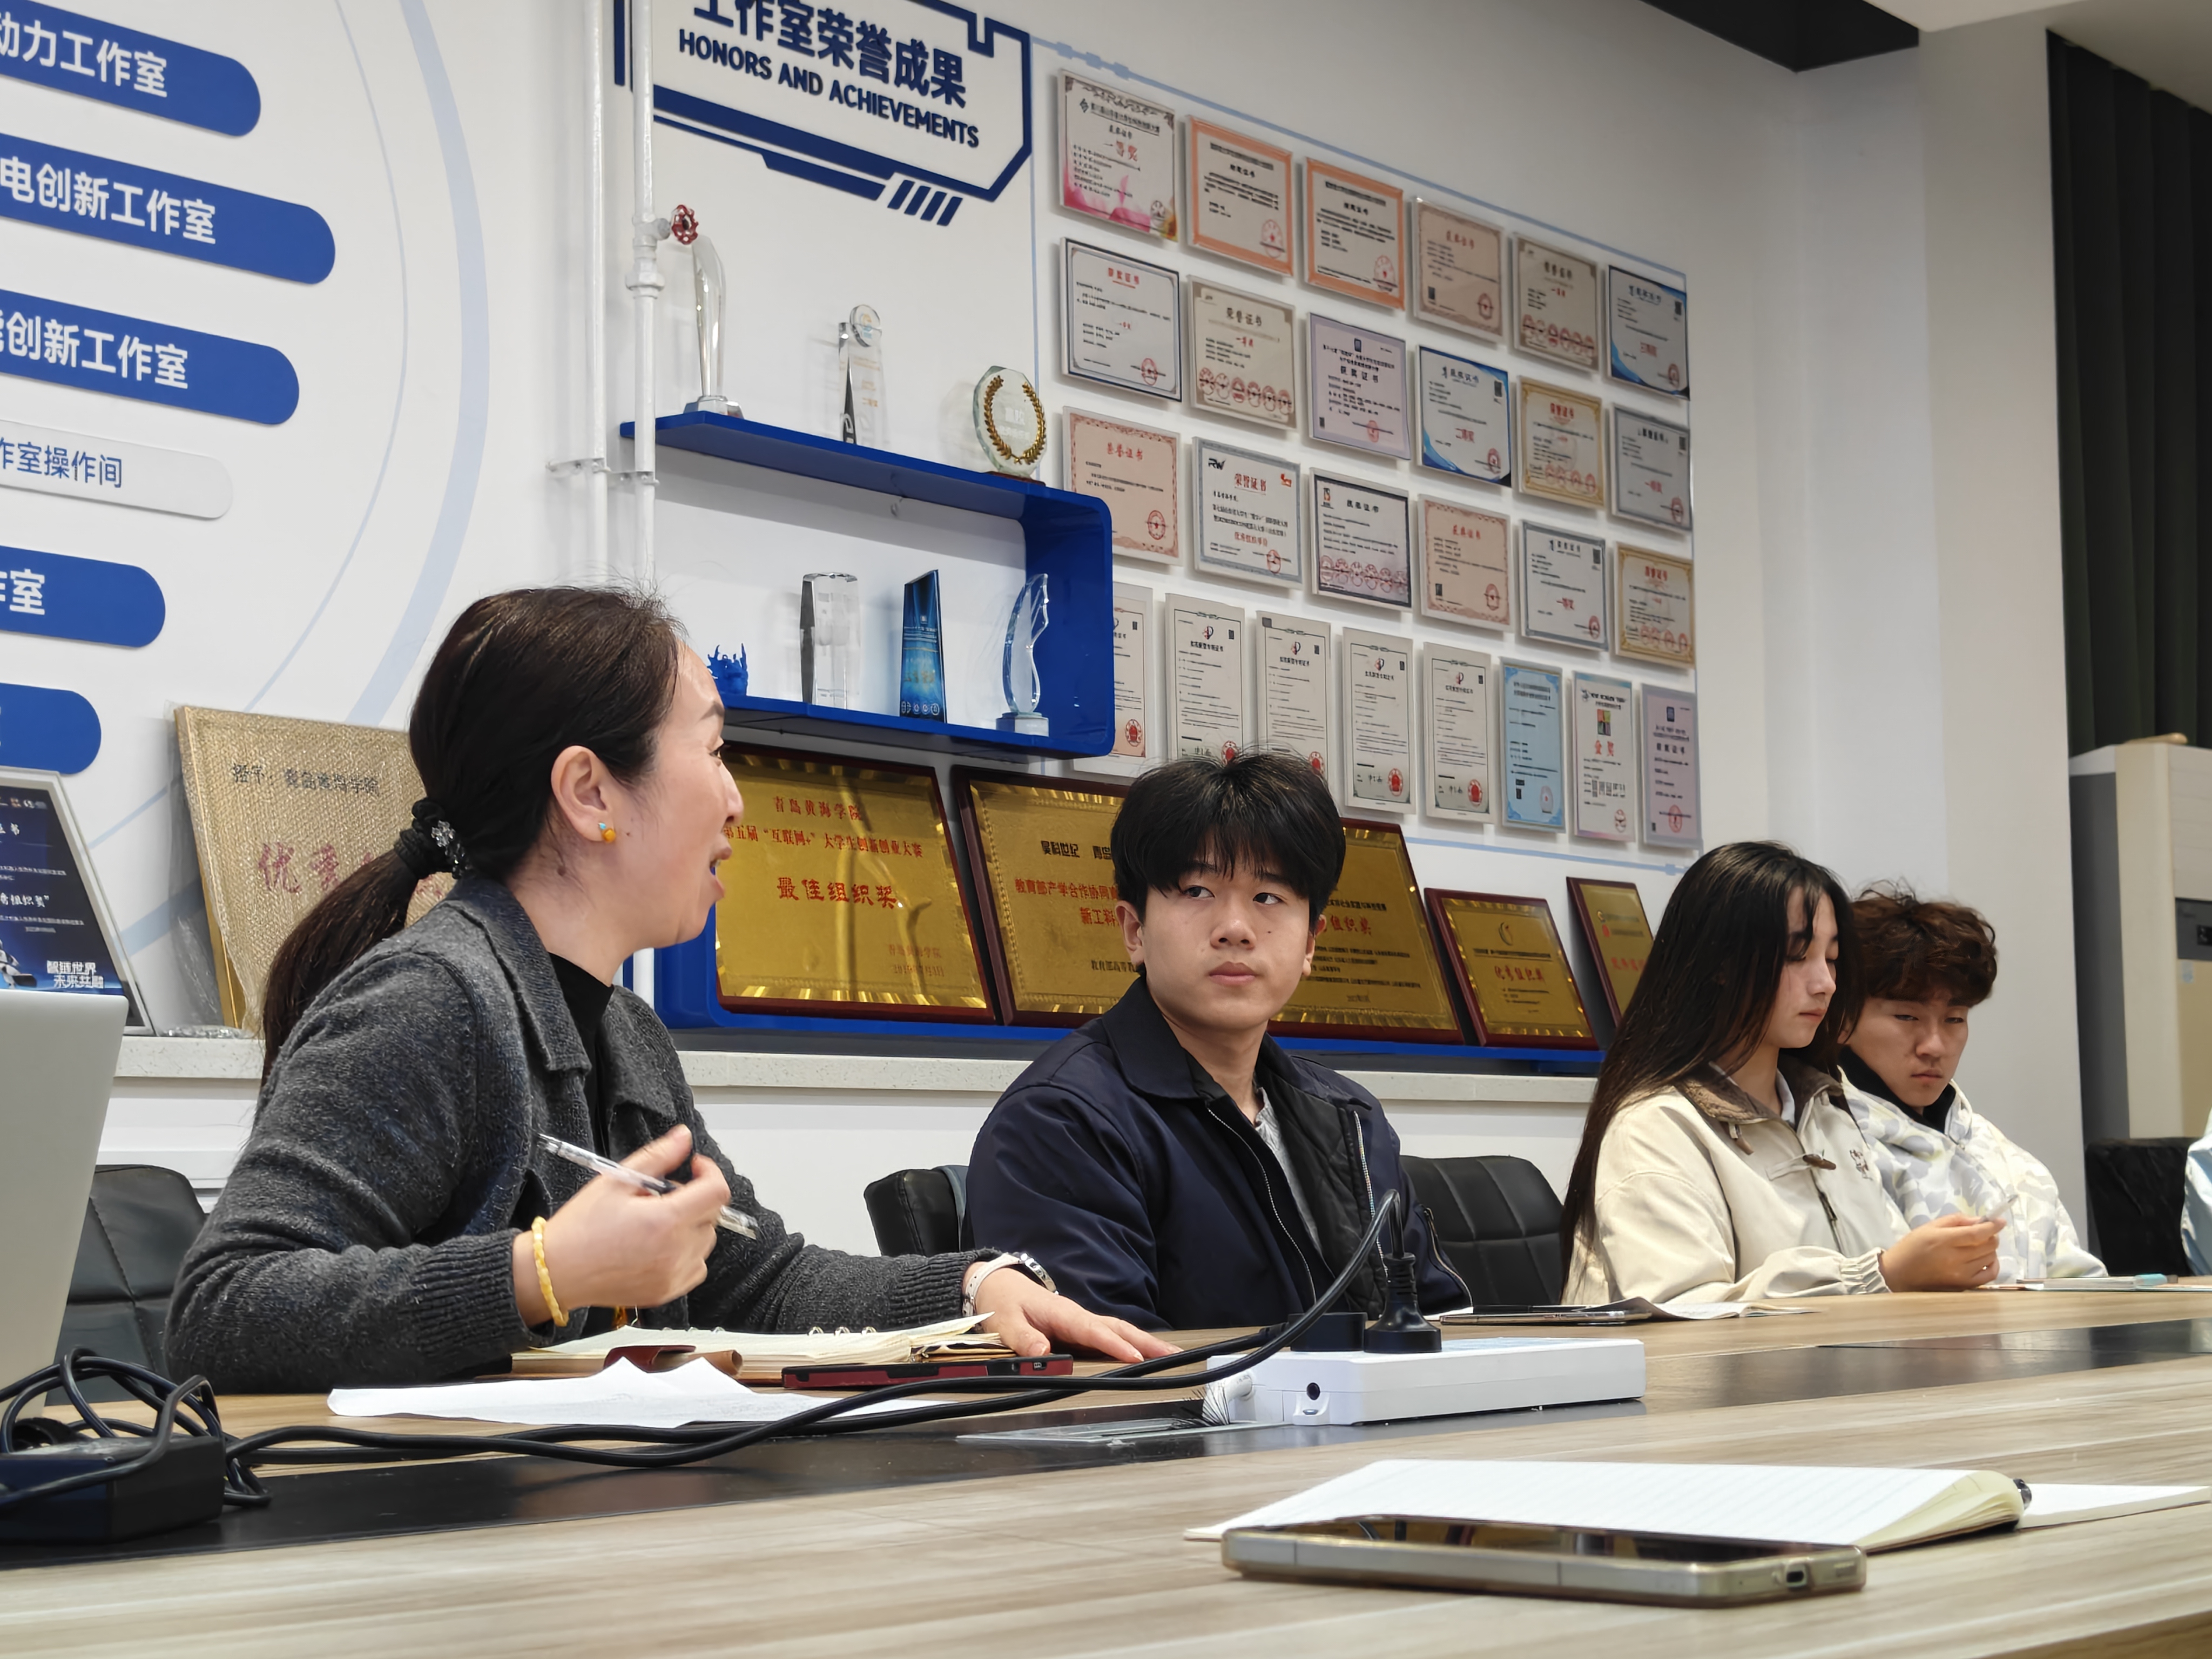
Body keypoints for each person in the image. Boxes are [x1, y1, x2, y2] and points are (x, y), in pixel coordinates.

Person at [167, 588, 1171, 1392]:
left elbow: (753, 1278)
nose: (736, 800)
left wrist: (968, 1285)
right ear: (590, 791)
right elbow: (223, 1310)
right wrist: (543, 1272)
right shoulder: (433, 998)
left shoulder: (626, 1031)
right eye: (715, 750)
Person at [964, 750, 1464, 1331]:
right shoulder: (1061, 1122)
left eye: (1268, 896)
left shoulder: (1351, 1118)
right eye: (1198, 890)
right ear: (1134, 930)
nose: (1235, 929)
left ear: (1310, 943)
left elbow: (1438, 1323)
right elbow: (1108, 1365)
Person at [1561, 841, 2006, 1305]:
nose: (1825, 983)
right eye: (1797, 955)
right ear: (1721, 964)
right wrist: (1881, 1275)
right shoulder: (1655, 1127)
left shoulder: (1826, 1112)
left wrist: (1934, 1270)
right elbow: (1682, 1311)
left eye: (1831, 959)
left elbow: (1884, 1267)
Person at [1839, 886, 2103, 1281]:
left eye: (1955, 1019)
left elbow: (2082, 1289)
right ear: (1841, 1019)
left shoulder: (2008, 1162)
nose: (1934, 1046)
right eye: (1907, 1017)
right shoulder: (1823, 1147)